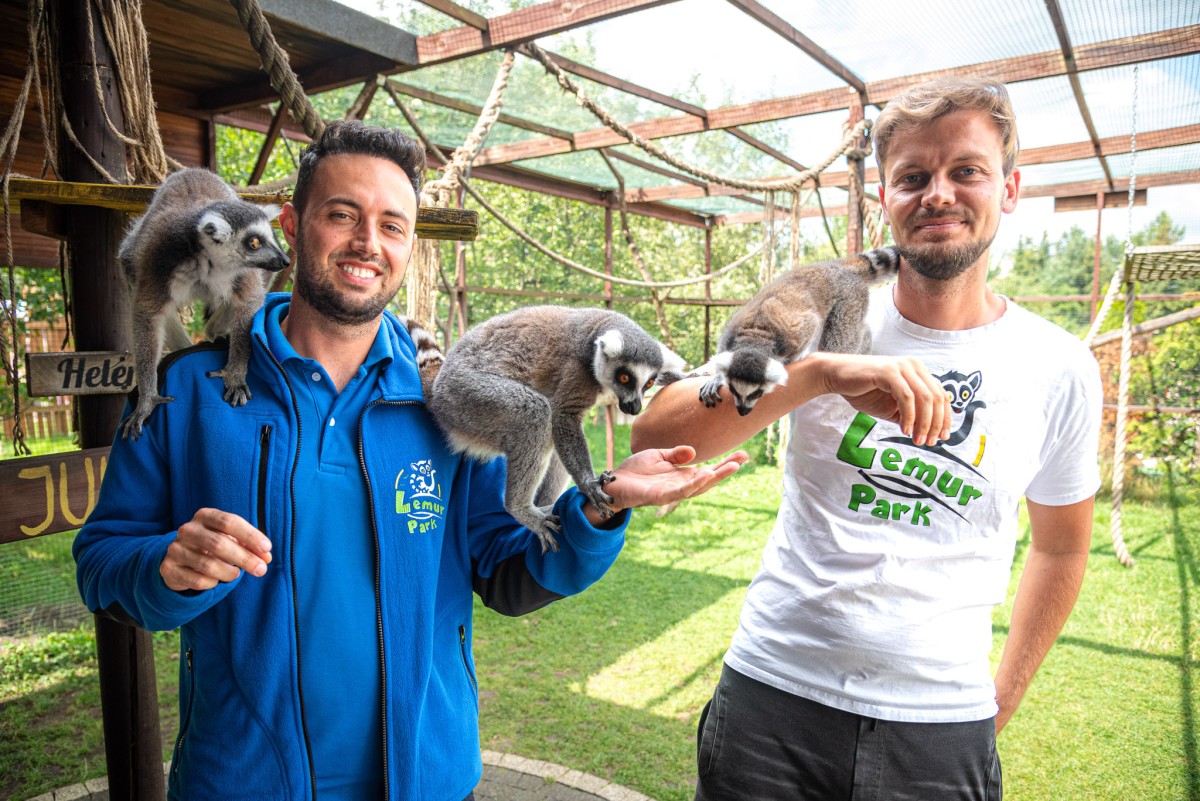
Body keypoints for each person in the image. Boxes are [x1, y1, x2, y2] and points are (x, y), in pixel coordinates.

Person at [74, 120, 746, 801]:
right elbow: (101, 561)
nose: (368, 241)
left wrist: (600, 505)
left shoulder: (446, 401)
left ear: (407, 244)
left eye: (392, 225)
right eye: (343, 214)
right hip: (242, 780)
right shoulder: (189, 390)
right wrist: (165, 566)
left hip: (424, 778)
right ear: (295, 223)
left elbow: (509, 567)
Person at [631, 76, 1102, 801]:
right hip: (773, 697)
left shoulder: (1060, 366)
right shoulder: (815, 319)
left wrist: (997, 701)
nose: (937, 193)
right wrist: (817, 374)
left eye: (965, 171)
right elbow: (656, 426)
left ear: (1009, 188)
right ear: (886, 198)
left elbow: (1063, 544)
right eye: (913, 176)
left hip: (943, 725)